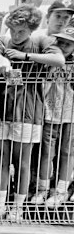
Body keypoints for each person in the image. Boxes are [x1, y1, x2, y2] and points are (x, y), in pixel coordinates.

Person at [0, 5, 65, 221]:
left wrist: (25, 56)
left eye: (21, 32)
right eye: (13, 30)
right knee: (0, 158)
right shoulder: (3, 40)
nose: (16, 35)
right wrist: (3, 61)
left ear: (31, 29)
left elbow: (59, 60)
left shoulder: (40, 42)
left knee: (23, 162)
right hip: (2, 108)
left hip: (29, 110)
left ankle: (17, 207)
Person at [30, 26, 74, 208]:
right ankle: (42, 189)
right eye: (60, 42)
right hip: (49, 112)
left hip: (71, 114)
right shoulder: (49, 59)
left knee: (67, 151)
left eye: (68, 44)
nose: (63, 46)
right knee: (47, 152)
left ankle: (61, 191)